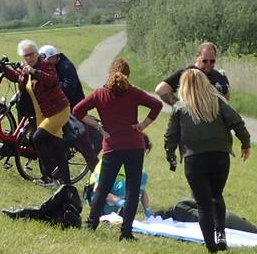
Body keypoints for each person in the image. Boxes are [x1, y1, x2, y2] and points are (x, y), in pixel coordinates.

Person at [164, 68, 251, 253]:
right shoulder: (217, 102)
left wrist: (170, 155)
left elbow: (171, 135)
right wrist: (246, 143)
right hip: (220, 155)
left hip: (194, 157)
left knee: (203, 204)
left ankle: (210, 246)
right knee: (216, 195)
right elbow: (236, 121)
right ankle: (221, 235)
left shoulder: (180, 107)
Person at [73, 59, 162, 240]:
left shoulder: (100, 94)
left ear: (110, 73)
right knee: (132, 189)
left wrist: (98, 126)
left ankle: (91, 224)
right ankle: (126, 232)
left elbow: (77, 110)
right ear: (128, 75)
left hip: (112, 146)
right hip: (134, 145)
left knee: (103, 187)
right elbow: (157, 105)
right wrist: (143, 125)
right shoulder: (134, 92)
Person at [16, 39, 72, 185]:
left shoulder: (45, 65)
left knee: (38, 138)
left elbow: (53, 80)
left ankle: (49, 177)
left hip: (58, 110)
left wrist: (34, 72)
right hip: (43, 113)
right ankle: (66, 182)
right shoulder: (27, 68)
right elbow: (21, 85)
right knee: (57, 147)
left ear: (37, 53)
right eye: (26, 56)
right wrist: (21, 73)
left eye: (31, 54)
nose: (29, 58)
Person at [155, 41, 230, 106]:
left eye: (212, 61)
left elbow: (226, 97)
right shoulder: (187, 74)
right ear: (198, 56)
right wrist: (179, 106)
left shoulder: (219, 75)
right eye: (205, 61)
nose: (208, 64)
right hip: (194, 116)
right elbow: (161, 89)